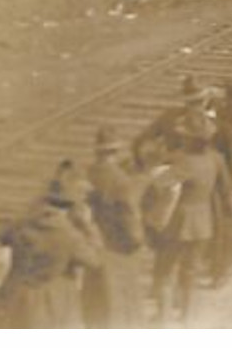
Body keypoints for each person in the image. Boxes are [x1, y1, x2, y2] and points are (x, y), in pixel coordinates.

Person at [0, 164, 104, 329]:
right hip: (49, 304)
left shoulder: (22, 224)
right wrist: (89, 226)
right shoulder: (70, 236)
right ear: (72, 206)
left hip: (13, 298)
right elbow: (96, 261)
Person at [152, 114, 232, 327]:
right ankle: (187, 318)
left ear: (191, 139)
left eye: (185, 137)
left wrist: (158, 166)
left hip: (179, 222)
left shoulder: (184, 161)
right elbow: (226, 190)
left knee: (164, 271)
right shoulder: (216, 158)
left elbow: (161, 184)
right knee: (190, 271)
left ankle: (163, 321)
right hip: (204, 221)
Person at [83, 129, 147, 329]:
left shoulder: (89, 173)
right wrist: (138, 240)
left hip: (95, 240)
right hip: (119, 246)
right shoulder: (121, 181)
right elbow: (129, 216)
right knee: (122, 295)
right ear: (116, 151)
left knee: (96, 293)